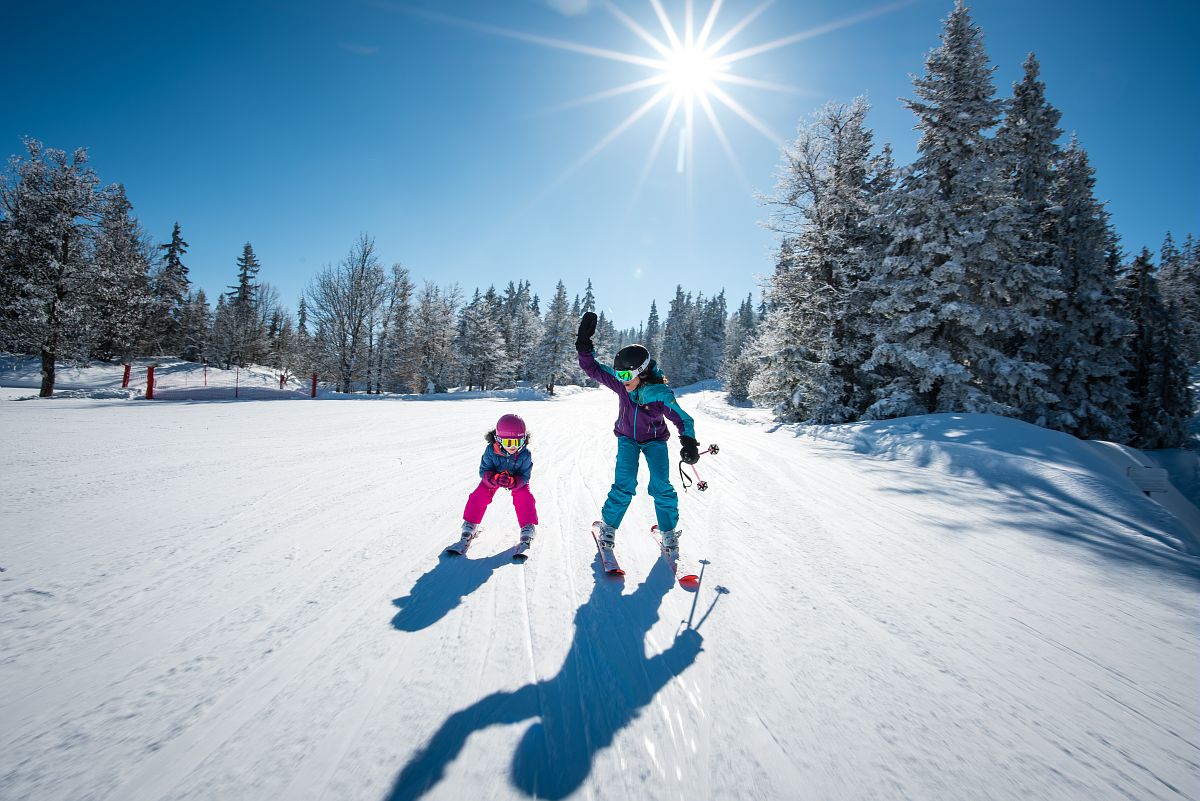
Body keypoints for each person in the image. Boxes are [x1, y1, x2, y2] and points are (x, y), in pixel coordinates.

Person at [574, 311, 700, 563]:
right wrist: (584, 345)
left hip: (655, 441)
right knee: (624, 483)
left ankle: (668, 534)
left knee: (661, 486)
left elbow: (683, 419)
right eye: (618, 376)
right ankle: (608, 529)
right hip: (627, 440)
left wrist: (688, 441)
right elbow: (593, 369)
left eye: (625, 375)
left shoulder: (660, 394)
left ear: (641, 372)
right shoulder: (623, 384)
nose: (621, 380)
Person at [459, 413, 538, 547]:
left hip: (515, 478)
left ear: (523, 439)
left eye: (517, 442)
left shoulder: (525, 454)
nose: (513, 447)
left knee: (524, 496)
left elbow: (525, 476)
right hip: (494, 477)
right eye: (508, 442)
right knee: (480, 494)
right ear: (498, 439)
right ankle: (471, 524)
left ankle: (527, 526)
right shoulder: (491, 450)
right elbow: (483, 470)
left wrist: (514, 482)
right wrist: (493, 478)